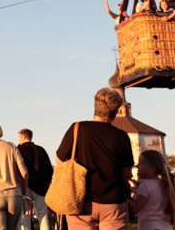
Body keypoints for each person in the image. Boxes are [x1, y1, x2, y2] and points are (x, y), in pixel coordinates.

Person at [55, 88, 133, 230]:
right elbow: (127, 173)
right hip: (113, 202)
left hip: (81, 201)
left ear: (95, 106)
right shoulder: (121, 136)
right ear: (116, 110)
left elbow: (60, 160)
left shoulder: (77, 129)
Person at [129, 150, 175, 230]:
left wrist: (120, 195)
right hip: (166, 227)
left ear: (152, 168)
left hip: (150, 226)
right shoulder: (163, 184)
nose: (137, 166)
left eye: (140, 163)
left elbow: (135, 208)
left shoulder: (145, 186)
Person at [17, 129, 53, 230]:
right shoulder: (41, 150)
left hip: (25, 185)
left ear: (24, 137)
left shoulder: (19, 150)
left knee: (25, 215)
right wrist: (47, 183)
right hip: (41, 187)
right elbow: (49, 169)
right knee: (43, 215)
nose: (19, 139)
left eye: (19, 137)